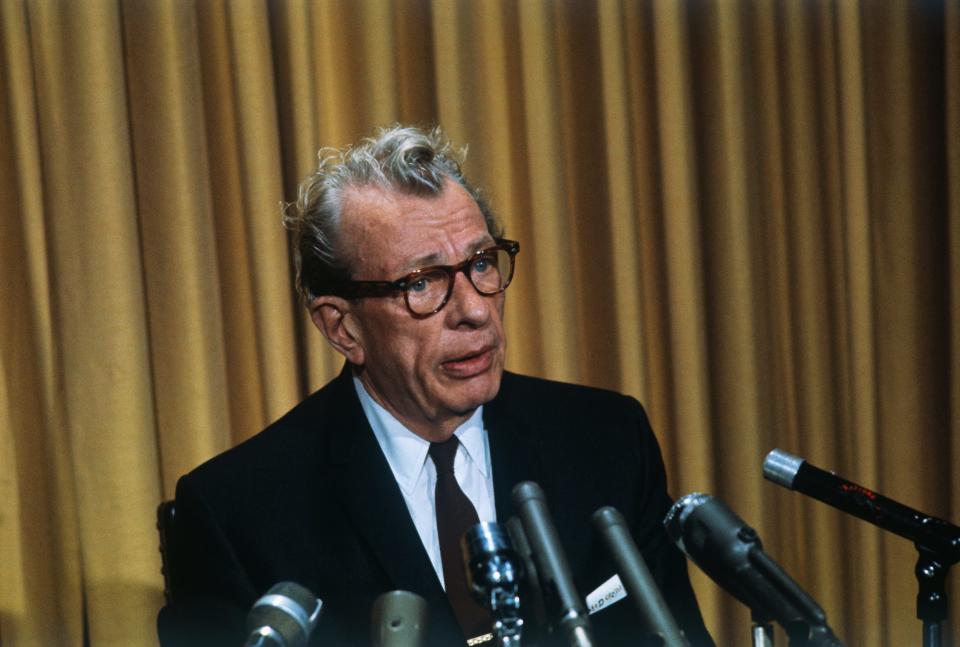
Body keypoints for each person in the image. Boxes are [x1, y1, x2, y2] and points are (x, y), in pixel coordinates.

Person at [157, 125, 713, 646]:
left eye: (481, 264)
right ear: (342, 326)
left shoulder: (605, 442)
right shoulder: (238, 515)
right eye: (421, 283)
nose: (474, 310)